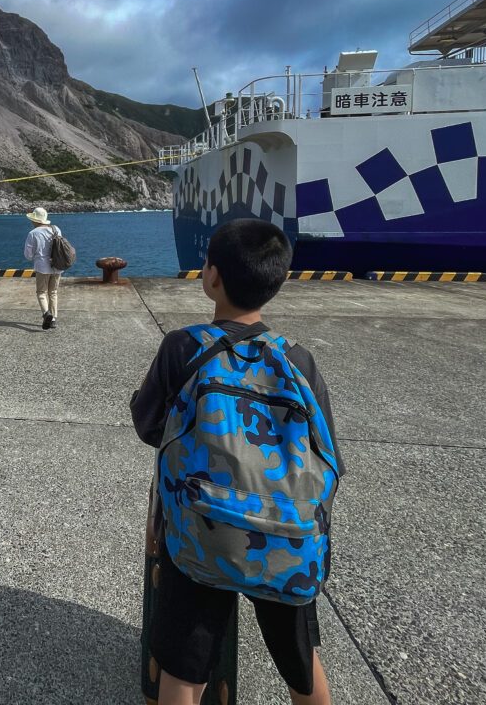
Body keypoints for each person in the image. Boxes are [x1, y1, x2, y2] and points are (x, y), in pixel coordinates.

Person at [129, 219, 344, 705]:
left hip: (199, 537)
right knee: (302, 666)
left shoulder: (183, 348)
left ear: (212, 276)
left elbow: (149, 428)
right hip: (285, 539)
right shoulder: (299, 361)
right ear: (279, 280)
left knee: (184, 672)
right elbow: (329, 457)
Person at [22, 206, 64, 329]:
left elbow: (28, 255)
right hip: (57, 265)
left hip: (42, 267)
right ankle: (54, 319)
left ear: (36, 220)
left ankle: (46, 314)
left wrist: (38, 253)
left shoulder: (33, 233)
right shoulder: (56, 229)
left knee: (41, 292)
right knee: (53, 292)